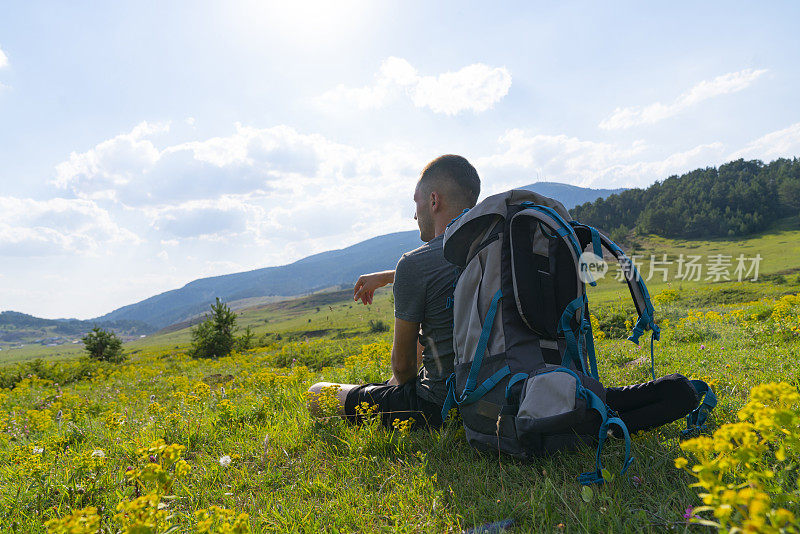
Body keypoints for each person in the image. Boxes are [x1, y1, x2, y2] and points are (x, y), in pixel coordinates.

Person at [307, 155, 481, 429]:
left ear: (434, 201)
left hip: (440, 407)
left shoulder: (416, 262)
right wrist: (392, 276)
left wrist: (393, 387)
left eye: (417, 201)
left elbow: (403, 369)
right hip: (505, 392)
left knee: (317, 392)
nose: (415, 214)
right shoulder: (494, 248)